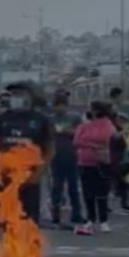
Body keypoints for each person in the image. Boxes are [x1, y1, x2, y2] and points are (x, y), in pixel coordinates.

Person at [0, 82, 55, 224]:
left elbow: (49, 149)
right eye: (13, 95)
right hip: (8, 177)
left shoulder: (40, 120)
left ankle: (29, 245)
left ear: (29, 97)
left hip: (30, 177)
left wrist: (38, 174)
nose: (16, 98)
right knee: (9, 219)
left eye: (20, 94)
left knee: (30, 220)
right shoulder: (2, 119)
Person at [74, 102, 117, 236]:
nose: (89, 111)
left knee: (101, 192)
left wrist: (87, 143)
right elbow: (76, 141)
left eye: (91, 109)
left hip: (101, 163)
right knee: (88, 193)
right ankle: (90, 219)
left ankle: (103, 221)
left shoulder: (107, 124)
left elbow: (104, 138)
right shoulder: (84, 125)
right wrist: (93, 145)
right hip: (84, 162)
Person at [49, 94, 84, 227]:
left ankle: (77, 214)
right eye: (57, 105)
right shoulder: (50, 119)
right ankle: (56, 214)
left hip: (72, 155)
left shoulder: (74, 118)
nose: (60, 108)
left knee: (73, 187)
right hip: (56, 156)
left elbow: (81, 132)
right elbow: (47, 134)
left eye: (62, 105)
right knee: (56, 187)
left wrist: (69, 131)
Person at [110, 112, 129, 213]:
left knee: (121, 181)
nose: (123, 123)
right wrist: (124, 132)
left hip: (117, 159)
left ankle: (123, 201)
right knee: (119, 181)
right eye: (122, 120)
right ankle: (123, 202)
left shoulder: (118, 128)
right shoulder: (112, 127)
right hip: (112, 159)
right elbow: (114, 137)